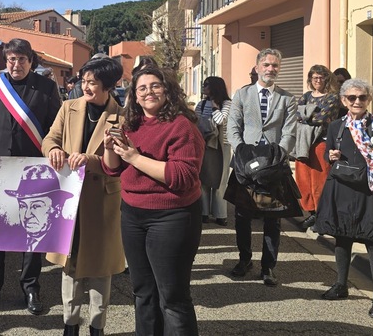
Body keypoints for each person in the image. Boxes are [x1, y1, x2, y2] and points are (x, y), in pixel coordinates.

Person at [101, 66, 204, 336]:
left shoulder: (182, 126)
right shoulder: (131, 124)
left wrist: (134, 157)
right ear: (134, 95)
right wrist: (110, 149)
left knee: (172, 297)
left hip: (173, 217)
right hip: (133, 215)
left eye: (155, 85)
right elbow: (112, 169)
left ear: (167, 90)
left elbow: (182, 175)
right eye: (142, 88)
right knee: (143, 292)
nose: (149, 92)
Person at [0, 38, 62, 315]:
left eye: (21, 59)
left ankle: (31, 288)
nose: (16, 64)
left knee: (32, 232)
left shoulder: (46, 88)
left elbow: (54, 130)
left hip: (34, 170)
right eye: (11, 59)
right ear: (5, 60)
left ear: (30, 61)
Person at [43, 57, 125, 336]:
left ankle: (97, 326)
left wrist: (90, 159)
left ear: (109, 86)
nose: (85, 87)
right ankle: (70, 323)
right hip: (68, 197)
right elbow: (50, 138)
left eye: (92, 82)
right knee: (70, 262)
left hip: (102, 198)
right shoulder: (68, 107)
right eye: (83, 80)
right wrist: (53, 149)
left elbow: (119, 162)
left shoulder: (122, 116)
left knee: (101, 267)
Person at [315, 78, 373, 321]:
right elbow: (329, 155)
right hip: (342, 189)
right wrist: (331, 155)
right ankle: (341, 285)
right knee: (342, 237)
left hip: (372, 192)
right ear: (343, 100)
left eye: (362, 97)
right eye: (351, 98)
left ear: (368, 99)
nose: (357, 101)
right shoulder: (335, 127)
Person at [225, 48, 297, 287]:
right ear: (257, 68)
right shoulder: (242, 95)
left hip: (274, 166)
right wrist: (242, 152)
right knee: (242, 216)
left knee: (273, 219)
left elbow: (289, 131)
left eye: (275, 65)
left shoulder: (288, 98)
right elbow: (233, 126)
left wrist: (278, 154)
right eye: (266, 65)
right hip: (246, 164)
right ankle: (244, 260)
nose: (270, 69)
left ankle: (268, 267)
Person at [294, 65, 340, 230]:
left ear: (326, 79)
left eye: (321, 78)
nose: (318, 81)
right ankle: (311, 213)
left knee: (320, 180)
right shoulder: (306, 96)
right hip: (303, 144)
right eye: (315, 78)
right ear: (310, 80)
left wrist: (306, 114)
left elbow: (321, 118)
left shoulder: (333, 98)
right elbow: (296, 114)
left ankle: (323, 216)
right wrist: (308, 115)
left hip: (321, 142)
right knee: (303, 179)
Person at [197, 76, 233, 227]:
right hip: (204, 143)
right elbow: (196, 120)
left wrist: (214, 107)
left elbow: (221, 120)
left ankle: (220, 214)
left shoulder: (227, 103)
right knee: (203, 179)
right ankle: (204, 213)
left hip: (222, 145)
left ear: (215, 87)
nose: (204, 87)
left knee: (220, 181)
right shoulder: (201, 103)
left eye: (207, 85)